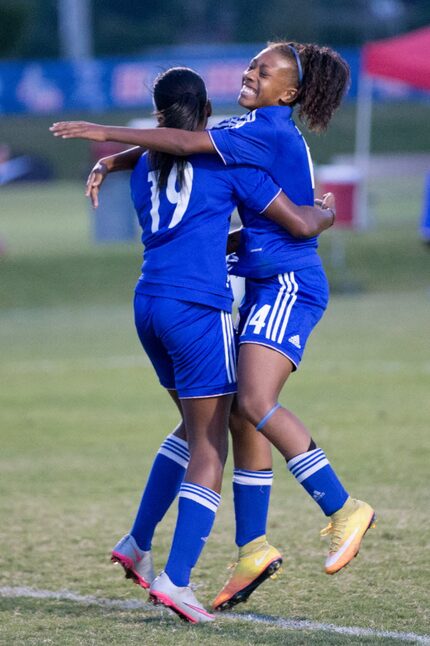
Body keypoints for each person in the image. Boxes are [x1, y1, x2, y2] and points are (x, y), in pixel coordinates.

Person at [50, 40, 375, 613]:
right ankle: (238, 549)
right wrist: (322, 212)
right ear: (204, 111)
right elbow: (280, 206)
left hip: (255, 286)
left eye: (262, 69)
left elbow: (183, 147)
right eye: (251, 65)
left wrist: (107, 147)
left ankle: (330, 511)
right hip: (220, 293)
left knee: (236, 409)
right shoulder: (236, 143)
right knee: (221, 424)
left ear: (290, 92)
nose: (249, 73)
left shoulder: (252, 138)